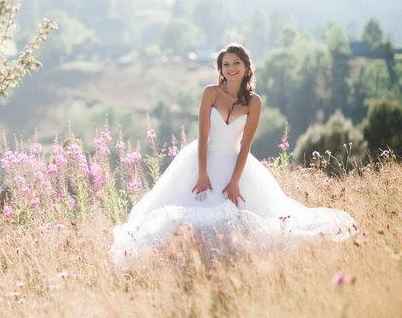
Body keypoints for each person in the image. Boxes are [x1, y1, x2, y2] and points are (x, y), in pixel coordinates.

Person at [109, 43, 357, 267]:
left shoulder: (254, 102)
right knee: (190, 211)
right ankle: (186, 260)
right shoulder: (211, 93)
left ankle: (227, 262)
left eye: (236, 63)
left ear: (246, 66)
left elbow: (246, 144)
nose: (231, 68)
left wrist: (236, 180)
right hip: (202, 160)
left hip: (236, 163)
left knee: (240, 217)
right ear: (220, 69)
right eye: (226, 64)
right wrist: (202, 173)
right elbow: (203, 136)